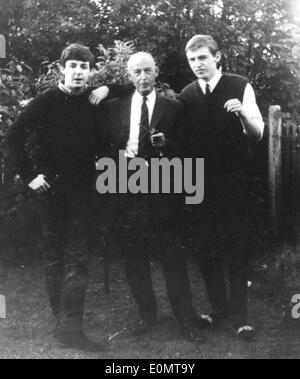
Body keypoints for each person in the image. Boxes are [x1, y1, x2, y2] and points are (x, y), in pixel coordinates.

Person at [7, 43, 124, 352]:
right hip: (51, 193)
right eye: (72, 66)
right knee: (55, 258)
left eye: (84, 67)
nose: (78, 72)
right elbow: (14, 136)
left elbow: (131, 87)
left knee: (78, 258)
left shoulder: (93, 99)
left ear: (90, 71)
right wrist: (31, 175)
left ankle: (69, 327)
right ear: (62, 69)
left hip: (85, 193)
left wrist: (108, 87)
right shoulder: (45, 102)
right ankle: (65, 324)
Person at [101, 52, 204, 342]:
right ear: (129, 75)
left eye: (148, 70)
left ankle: (186, 319)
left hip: (163, 184)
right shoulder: (114, 107)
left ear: (157, 72)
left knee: (172, 255)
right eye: (137, 72)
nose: (143, 77)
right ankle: (147, 314)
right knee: (134, 255)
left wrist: (167, 144)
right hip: (126, 183)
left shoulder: (174, 107)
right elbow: (105, 146)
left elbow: (190, 146)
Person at [179, 35, 264, 340]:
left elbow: (257, 134)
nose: (198, 64)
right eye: (192, 60)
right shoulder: (186, 94)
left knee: (235, 248)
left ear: (217, 57)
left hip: (233, 182)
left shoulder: (239, 85)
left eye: (203, 57)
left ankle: (240, 317)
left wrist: (241, 112)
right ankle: (219, 310)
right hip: (199, 184)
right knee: (205, 249)